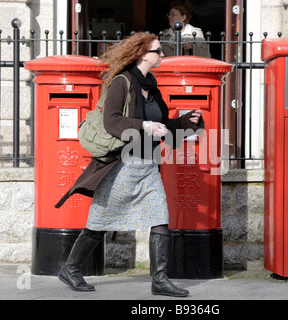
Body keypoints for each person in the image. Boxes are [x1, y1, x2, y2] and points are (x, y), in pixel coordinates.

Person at [55, 32, 204, 297]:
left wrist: (186, 122)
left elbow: (165, 128)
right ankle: (71, 268)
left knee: (160, 217)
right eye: (158, 51)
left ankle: (159, 280)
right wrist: (143, 125)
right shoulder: (121, 83)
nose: (162, 55)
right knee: (100, 221)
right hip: (122, 164)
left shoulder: (152, 86)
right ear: (142, 54)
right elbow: (112, 121)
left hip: (148, 165)